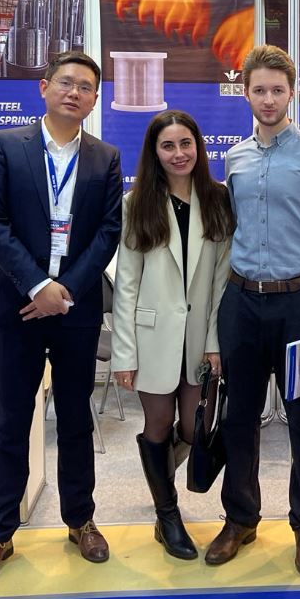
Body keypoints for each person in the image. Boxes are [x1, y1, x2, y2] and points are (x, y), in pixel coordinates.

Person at [0, 51, 123, 586]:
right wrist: (38, 285)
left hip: (75, 309)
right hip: (18, 305)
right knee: (11, 418)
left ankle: (81, 520)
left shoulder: (105, 158)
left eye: (86, 87)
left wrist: (66, 290)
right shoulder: (6, 145)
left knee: (77, 418)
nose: (74, 92)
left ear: (94, 99)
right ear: (44, 87)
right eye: (66, 82)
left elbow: (108, 231)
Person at [206, 44, 300, 576]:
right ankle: (240, 519)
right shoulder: (235, 158)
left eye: (277, 90)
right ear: (245, 93)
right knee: (239, 418)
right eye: (259, 90)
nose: (268, 99)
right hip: (242, 301)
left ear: (292, 94)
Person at [111, 110, 234, 560]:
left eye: (186, 143)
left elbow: (222, 280)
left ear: (198, 147)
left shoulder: (218, 199)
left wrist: (215, 342)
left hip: (200, 337)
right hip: (152, 336)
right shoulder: (136, 203)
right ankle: (167, 515)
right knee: (158, 424)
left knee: (193, 426)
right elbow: (126, 283)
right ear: (154, 152)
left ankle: (161, 486)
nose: (179, 153)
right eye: (168, 146)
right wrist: (124, 353)